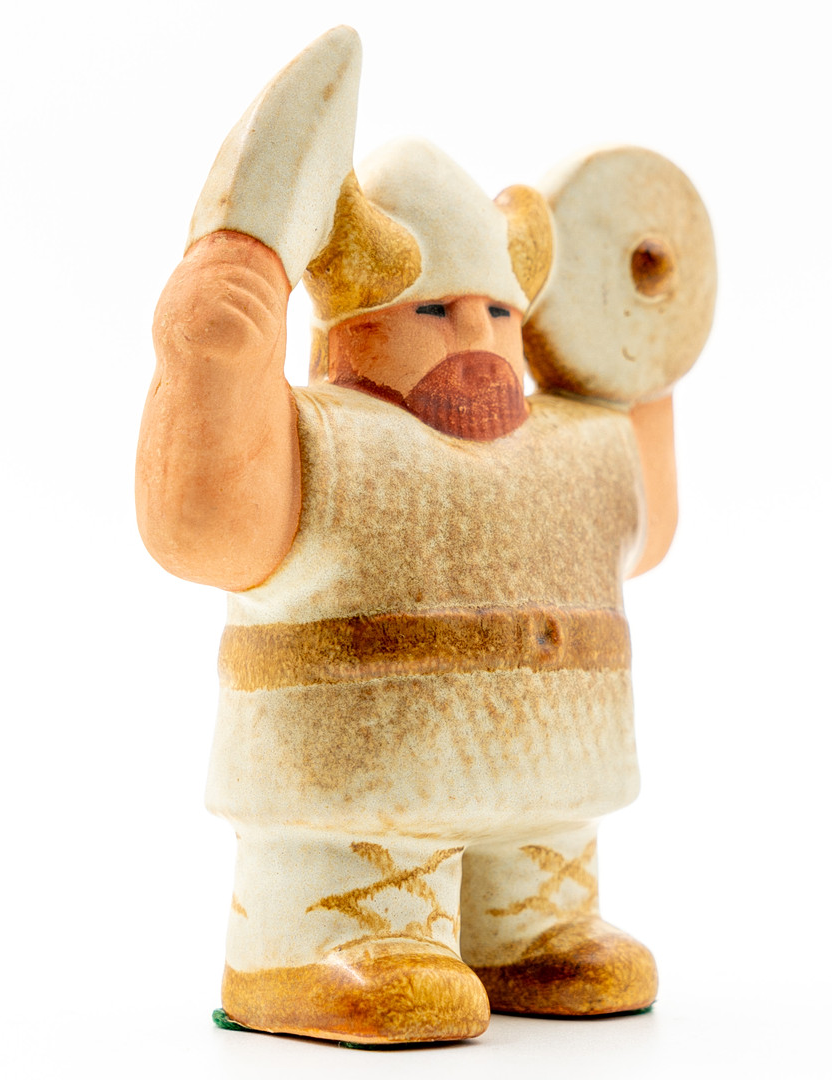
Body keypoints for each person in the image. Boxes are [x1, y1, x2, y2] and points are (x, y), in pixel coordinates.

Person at [136, 27, 712, 1045]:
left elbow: (646, 528)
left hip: (547, 792)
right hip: (351, 802)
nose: (480, 337)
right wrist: (214, 364)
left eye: (499, 311)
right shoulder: (324, 437)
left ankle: (526, 933)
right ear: (347, 328)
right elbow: (206, 530)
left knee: (544, 888)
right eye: (437, 309)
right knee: (360, 877)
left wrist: (647, 360)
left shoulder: (570, 441)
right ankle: (307, 948)